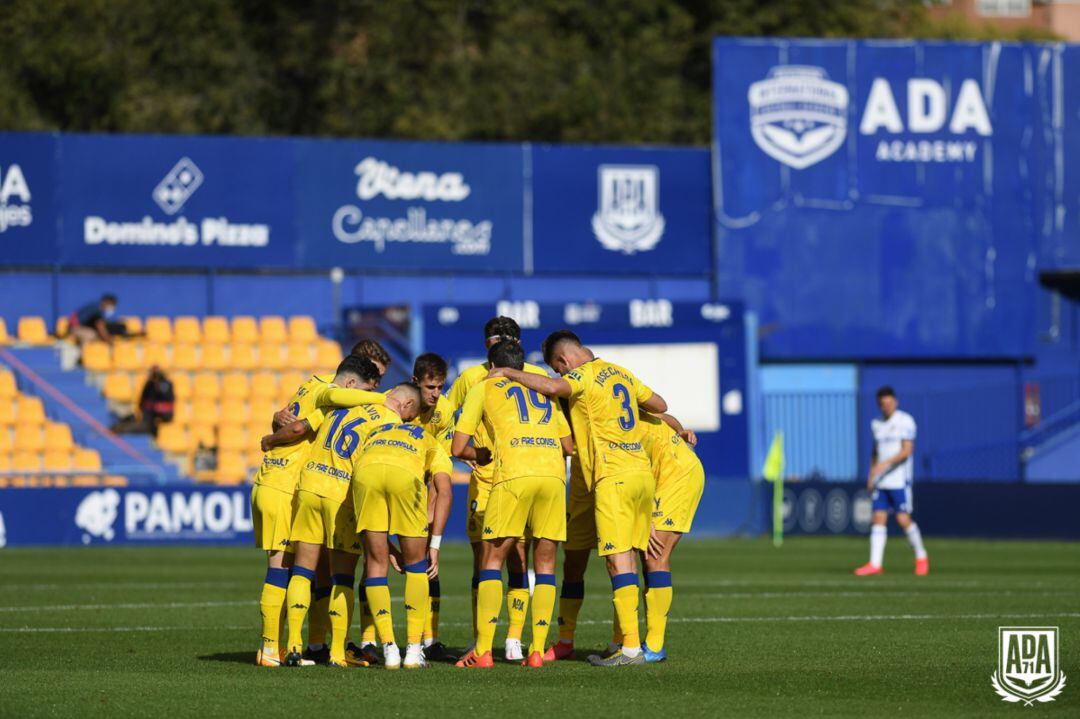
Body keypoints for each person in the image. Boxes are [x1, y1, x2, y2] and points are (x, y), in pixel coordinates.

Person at [487, 329, 668, 667]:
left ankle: (629, 648)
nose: (559, 375)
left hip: (612, 476)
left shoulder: (582, 375)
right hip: (641, 475)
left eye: (558, 368)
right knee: (624, 557)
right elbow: (659, 405)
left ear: (564, 360)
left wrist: (510, 371)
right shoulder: (621, 372)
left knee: (618, 560)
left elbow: (556, 388)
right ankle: (621, 642)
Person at [271, 381, 420, 668]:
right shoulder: (390, 421)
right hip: (340, 497)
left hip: (309, 485)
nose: (407, 421)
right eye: (409, 417)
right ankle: (337, 653)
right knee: (342, 577)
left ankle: (293, 646)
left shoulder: (348, 406)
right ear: (406, 405)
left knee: (303, 570)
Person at [249, 355, 384, 668]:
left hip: (277, 482)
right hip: (283, 486)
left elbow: (287, 420)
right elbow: (297, 426)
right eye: (365, 389)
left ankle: (303, 646)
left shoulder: (309, 384)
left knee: (303, 569)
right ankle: (271, 648)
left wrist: (272, 426)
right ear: (352, 384)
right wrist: (385, 400)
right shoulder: (328, 392)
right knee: (279, 569)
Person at [452, 340, 573, 669]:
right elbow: (568, 445)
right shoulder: (545, 392)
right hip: (552, 476)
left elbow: (458, 446)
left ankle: (484, 651)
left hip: (513, 476)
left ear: (492, 366)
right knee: (546, 563)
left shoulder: (484, 387)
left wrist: (481, 455)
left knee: (491, 559)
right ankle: (535, 651)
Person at [352, 386, 453, 670]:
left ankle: (389, 649)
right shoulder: (431, 441)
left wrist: (386, 550)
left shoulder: (377, 431)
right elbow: (444, 491)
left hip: (366, 472)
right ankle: (412, 649)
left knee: (374, 564)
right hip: (405, 476)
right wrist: (434, 546)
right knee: (416, 566)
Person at [609, 412, 703, 663]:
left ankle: (654, 646)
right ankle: (639, 641)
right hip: (666, 475)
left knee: (655, 555)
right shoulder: (618, 409)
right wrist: (679, 432)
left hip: (677, 476)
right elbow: (663, 416)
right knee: (644, 553)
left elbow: (661, 416)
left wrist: (647, 516)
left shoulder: (610, 422)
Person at [407, 352, 456, 661]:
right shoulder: (397, 404)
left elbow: (439, 474)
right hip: (392, 484)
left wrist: (430, 530)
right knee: (375, 562)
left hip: (421, 487)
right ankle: (371, 640)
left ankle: (430, 640)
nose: (437, 395)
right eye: (430, 388)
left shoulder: (446, 410)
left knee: (427, 567)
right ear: (415, 383)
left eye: (440, 387)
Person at [854, 386, 929, 577]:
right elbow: (875, 452)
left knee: (903, 519)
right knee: (878, 519)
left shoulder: (905, 421)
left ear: (895, 401)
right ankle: (875, 564)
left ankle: (921, 556)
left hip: (899, 481)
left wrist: (885, 464)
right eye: (882, 404)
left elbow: (907, 450)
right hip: (881, 481)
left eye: (888, 403)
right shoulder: (876, 424)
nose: (885, 407)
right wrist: (872, 474)